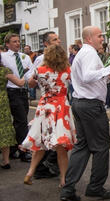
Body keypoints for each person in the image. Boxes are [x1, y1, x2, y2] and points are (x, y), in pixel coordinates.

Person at [60, 26, 110, 201]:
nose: (102, 38)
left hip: (80, 103)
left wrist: (107, 76)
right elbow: (87, 76)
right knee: (100, 146)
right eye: (99, 36)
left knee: (82, 146)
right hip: (91, 106)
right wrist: (109, 69)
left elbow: (88, 79)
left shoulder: (83, 53)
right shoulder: (89, 53)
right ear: (89, 38)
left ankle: (68, 189)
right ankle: (95, 187)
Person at [21, 45, 76, 187]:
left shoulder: (39, 70)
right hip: (60, 108)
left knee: (39, 143)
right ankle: (63, 179)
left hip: (44, 107)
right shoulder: (67, 71)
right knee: (61, 146)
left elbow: (31, 85)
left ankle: (29, 173)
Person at [28, 31, 63, 180]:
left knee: (53, 134)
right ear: (46, 44)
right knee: (50, 135)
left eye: (58, 39)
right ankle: (43, 167)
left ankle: (43, 166)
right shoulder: (42, 59)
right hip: (50, 104)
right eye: (55, 39)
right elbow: (30, 79)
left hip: (56, 104)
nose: (58, 41)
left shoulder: (61, 59)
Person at [1, 33, 33, 162]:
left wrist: (31, 80)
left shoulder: (25, 57)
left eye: (18, 41)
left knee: (20, 121)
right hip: (10, 91)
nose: (17, 43)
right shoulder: (3, 57)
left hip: (23, 91)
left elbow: (30, 73)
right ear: (7, 44)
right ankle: (23, 151)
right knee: (21, 121)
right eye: (14, 41)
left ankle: (13, 148)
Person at [0, 55, 19, 169]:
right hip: (2, 102)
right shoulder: (5, 71)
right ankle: (6, 161)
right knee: (4, 128)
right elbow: (20, 83)